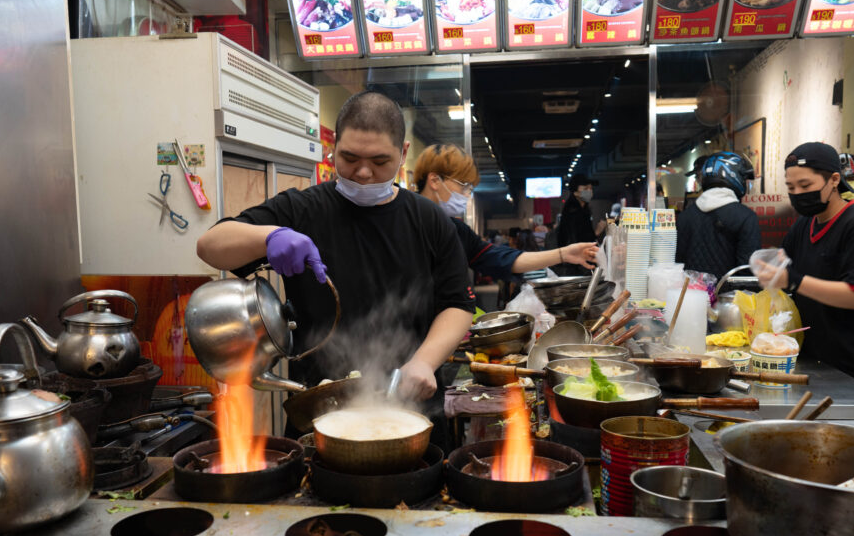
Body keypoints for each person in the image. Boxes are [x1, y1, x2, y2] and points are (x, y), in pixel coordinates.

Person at [196, 91, 473, 402]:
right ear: (335, 147)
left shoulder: (429, 219)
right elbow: (210, 245)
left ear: (403, 153)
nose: (364, 173)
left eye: (380, 161)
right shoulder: (302, 209)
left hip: (410, 403)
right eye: (349, 158)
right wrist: (269, 236)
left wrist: (424, 361)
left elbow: (458, 304)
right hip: (319, 405)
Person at [752, 142, 854, 376]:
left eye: (805, 185)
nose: (797, 194)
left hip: (852, 363)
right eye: (791, 187)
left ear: (834, 180)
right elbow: (785, 264)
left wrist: (794, 281)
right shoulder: (805, 224)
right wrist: (768, 268)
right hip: (814, 357)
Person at [413, 144, 598, 282]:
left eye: (470, 188)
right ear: (435, 180)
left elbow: (500, 258)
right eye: (464, 186)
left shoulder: (456, 230)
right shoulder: (403, 221)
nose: (467, 194)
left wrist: (563, 254)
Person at [675, 151, 761, 279]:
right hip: (731, 298)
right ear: (734, 175)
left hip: (689, 297)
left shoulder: (683, 217)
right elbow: (748, 272)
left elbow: (677, 266)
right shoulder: (746, 217)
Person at [555, 177, 603, 275]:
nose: (589, 191)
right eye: (585, 189)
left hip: (578, 260)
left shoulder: (583, 208)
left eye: (591, 188)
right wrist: (597, 232)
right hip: (576, 262)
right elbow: (576, 238)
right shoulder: (573, 210)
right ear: (575, 192)